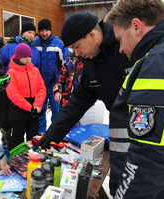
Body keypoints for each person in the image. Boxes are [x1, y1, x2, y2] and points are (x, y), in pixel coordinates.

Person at [33, 12, 132, 196]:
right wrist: (52, 134)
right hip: (120, 129)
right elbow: (77, 102)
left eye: (77, 46)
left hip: (149, 131)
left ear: (92, 35)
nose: (76, 54)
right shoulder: (89, 62)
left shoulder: (125, 44)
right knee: (119, 184)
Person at [105, 0, 164, 198]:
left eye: (120, 39)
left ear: (136, 26)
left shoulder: (160, 61)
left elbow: (150, 157)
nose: (120, 48)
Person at [0, 21, 40, 145]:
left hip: (30, 93)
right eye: (29, 32)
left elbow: (37, 73)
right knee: (10, 120)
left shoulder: (35, 49)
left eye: (33, 33)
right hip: (12, 88)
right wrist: (4, 78)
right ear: (22, 33)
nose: (31, 35)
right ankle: (6, 136)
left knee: (32, 132)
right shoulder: (10, 46)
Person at [6, 43, 46, 150]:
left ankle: (33, 156)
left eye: (29, 56)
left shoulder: (35, 70)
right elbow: (12, 93)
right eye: (25, 57)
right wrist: (29, 107)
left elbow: (41, 88)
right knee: (17, 137)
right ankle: (14, 158)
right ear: (19, 57)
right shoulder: (11, 72)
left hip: (34, 107)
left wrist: (37, 104)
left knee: (33, 137)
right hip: (18, 108)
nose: (28, 59)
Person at [33, 18, 69, 134]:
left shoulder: (59, 43)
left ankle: (55, 133)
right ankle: (41, 134)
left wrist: (63, 83)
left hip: (54, 84)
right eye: (42, 30)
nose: (44, 33)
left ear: (51, 30)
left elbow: (67, 64)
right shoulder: (35, 43)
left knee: (56, 110)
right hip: (39, 84)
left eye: (46, 30)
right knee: (40, 110)